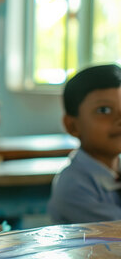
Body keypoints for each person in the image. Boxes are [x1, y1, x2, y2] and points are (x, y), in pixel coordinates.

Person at [47, 64, 121, 224]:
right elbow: (115, 233)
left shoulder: (116, 170)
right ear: (72, 126)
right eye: (104, 110)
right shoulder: (73, 186)